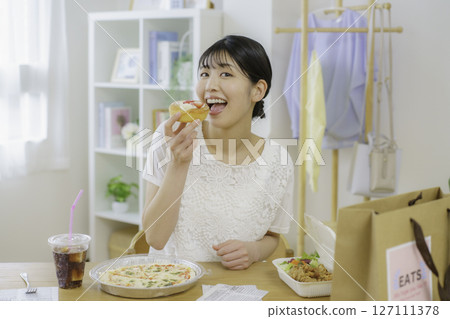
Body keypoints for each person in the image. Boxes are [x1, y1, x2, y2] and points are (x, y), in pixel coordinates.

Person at [142, 35, 294, 270]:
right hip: (170, 283)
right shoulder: (171, 136)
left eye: (225, 74)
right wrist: (178, 164)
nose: (210, 85)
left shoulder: (279, 161)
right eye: (204, 74)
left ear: (258, 90)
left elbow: (273, 236)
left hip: (237, 289)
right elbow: (155, 239)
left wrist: (253, 251)